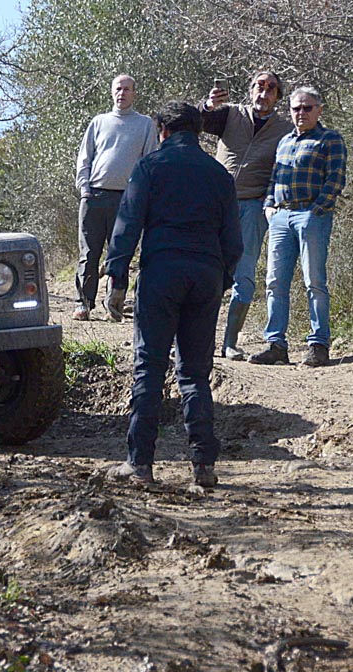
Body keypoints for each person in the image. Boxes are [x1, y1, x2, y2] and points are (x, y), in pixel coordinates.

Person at [104, 101, 242, 488]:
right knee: (195, 372)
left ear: (162, 130)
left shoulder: (149, 167)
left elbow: (128, 224)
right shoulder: (219, 174)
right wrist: (222, 277)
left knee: (149, 365)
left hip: (162, 273)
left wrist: (117, 278)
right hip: (206, 274)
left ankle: (140, 463)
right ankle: (203, 465)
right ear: (197, 132)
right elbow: (233, 240)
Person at [249, 86, 347, 368]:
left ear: (319, 110)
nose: (301, 113)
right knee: (274, 282)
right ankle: (275, 344)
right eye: (296, 108)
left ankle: (318, 344)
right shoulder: (285, 141)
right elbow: (274, 176)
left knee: (314, 281)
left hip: (311, 215)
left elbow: (336, 178)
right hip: (281, 216)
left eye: (307, 108)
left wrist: (317, 210)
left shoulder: (330, 139)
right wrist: (269, 204)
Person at [200, 71, 293, 360]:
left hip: (254, 207)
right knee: (205, 272)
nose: (263, 93)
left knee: (244, 275)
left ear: (278, 96)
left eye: (271, 89)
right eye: (259, 87)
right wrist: (208, 104)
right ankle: (198, 340)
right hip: (216, 204)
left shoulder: (284, 129)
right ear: (250, 89)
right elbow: (199, 122)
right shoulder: (229, 115)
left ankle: (230, 342)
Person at [73, 74, 158, 321]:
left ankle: (115, 304)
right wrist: (84, 189)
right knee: (89, 252)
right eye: (118, 89)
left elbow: (149, 162)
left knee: (120, 253)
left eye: (127, 89)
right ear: (112, 93)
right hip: (95, 196)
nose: (122, 93)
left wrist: (143, 197)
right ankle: (83, 303)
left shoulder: (144, 125)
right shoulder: (99, 122)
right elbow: (84, 158)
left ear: (134, 93)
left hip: (128, 200)